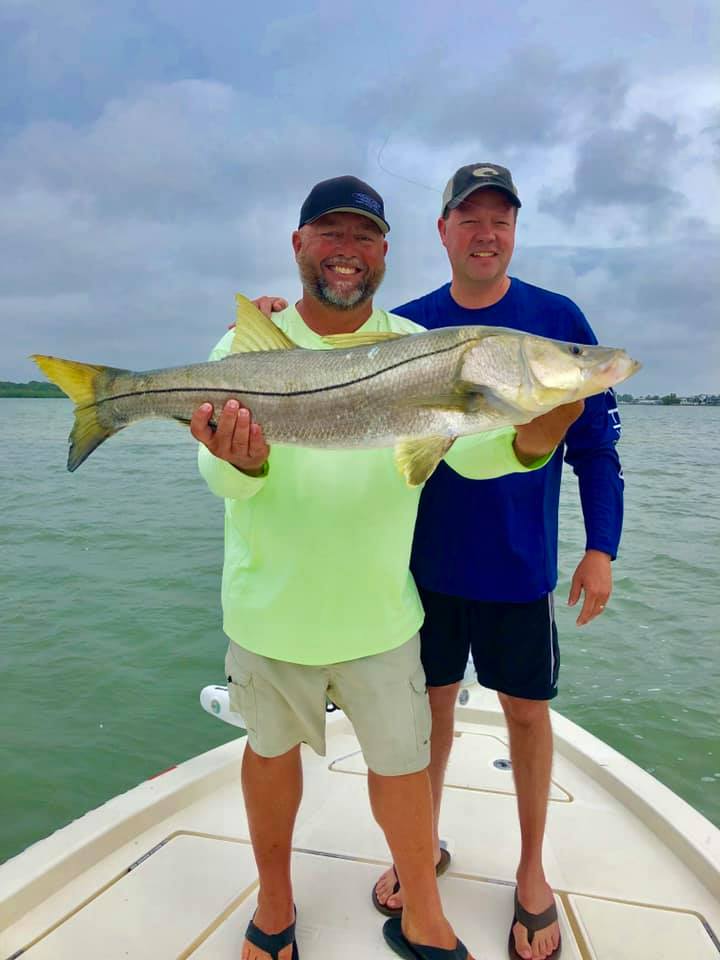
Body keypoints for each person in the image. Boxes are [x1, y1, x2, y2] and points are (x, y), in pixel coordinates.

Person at [191, 175, 583, 960]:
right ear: (299, 244)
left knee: (403, 769)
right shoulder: (241, 347)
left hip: (381, 613)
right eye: (330, 234)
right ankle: (274, 903)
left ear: (386, 252)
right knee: (269, 757)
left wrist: (533, 440)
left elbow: (469, 455)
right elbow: (221, 481)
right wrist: (242, 461)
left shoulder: (414, 342)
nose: (348, 251)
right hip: (270, 610)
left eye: (364, 236)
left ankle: (424, 914)